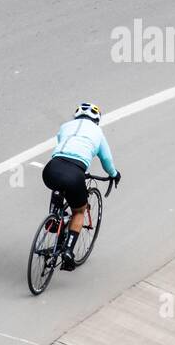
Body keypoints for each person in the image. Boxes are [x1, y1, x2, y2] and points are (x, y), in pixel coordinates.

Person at [42, 102, 121, 270]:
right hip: (74, 173)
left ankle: (54, 216)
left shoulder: (65, 126)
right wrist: (114, 174)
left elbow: (61, 143)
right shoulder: (98, 132)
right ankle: (68, 251)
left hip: (51, 168)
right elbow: (106, 160)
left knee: (58, 185)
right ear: (97, 120)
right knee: (79, 211)